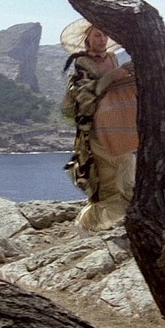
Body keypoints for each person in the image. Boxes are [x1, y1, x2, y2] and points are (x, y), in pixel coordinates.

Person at [60, 18, 137, 233]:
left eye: (105, 34)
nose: (102, 39)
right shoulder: (82, 65)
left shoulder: (112, 58)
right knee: (109, 185)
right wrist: (112, 77)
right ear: (87, 38)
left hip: (120, 128)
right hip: (97, 133)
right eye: (97, 35)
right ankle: (87, 225)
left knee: (127, 178)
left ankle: (122, 224)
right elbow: (83, 96)